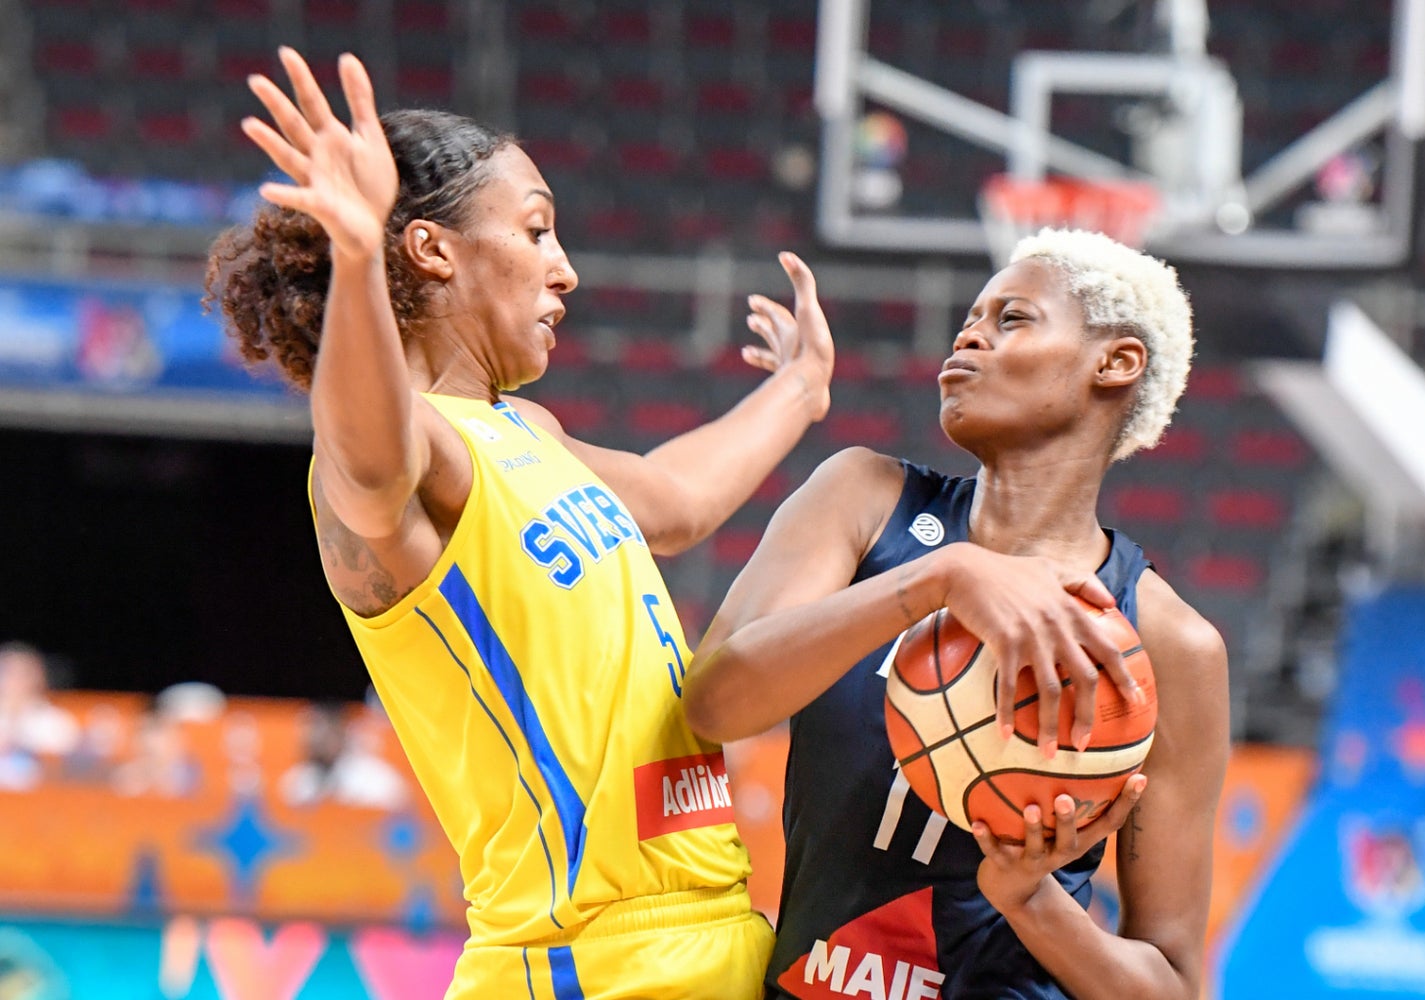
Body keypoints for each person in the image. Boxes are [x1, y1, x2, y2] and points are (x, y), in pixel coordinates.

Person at [204, 49, 835, 998]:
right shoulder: (406, 455)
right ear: (431, 249)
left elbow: (675, 499)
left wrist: (798, 390)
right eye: (536, 230)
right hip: (588, 960)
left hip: (714, 929)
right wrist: (354, 248)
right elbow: (372, 463)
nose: (565, 270)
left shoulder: (523, 431)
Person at [685, 229, 1230, 999]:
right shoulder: (865, 501)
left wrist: (1031, 899)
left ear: (1115, 363)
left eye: (1013, 319)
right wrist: (939, 579)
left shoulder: (1168, 640)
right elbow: (713, 701)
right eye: (971, 317)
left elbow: (1172, 985)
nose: (970, 333)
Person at [279, 701, 408, 810]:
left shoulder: (378, 779)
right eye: (308, 732)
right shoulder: (298, 781)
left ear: (340, 730)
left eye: (320, 731)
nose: (312, 740)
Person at [0, 643, 78, 791]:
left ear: (39, 677)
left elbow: (64, 766)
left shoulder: (57, 721)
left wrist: (20, 741)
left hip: (39, 801)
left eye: (24, 674)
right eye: (9, 672)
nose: (16, 681)